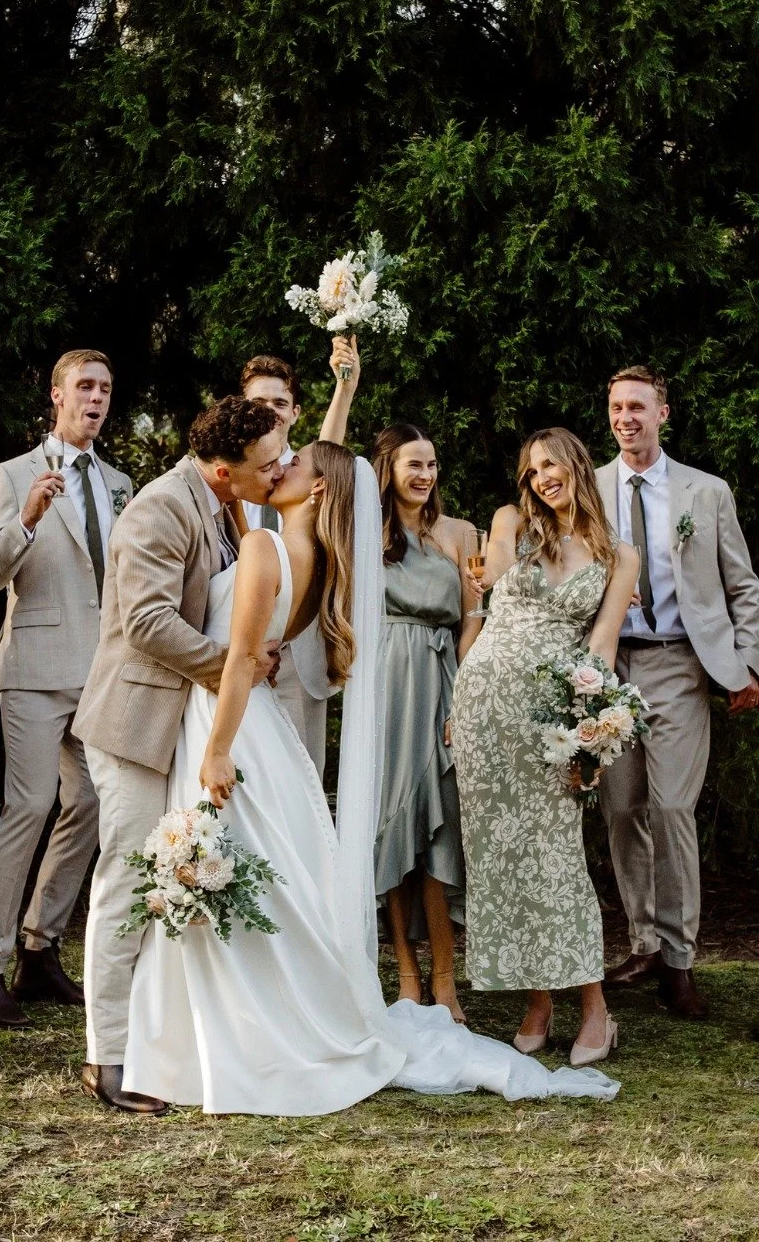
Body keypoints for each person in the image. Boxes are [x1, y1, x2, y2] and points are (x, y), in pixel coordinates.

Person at [119, 442, 620, 1114]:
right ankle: (237, 1028)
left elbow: (242, 658)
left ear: (318, 489)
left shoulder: (270, 549)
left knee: (245, 876)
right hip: (266, 725)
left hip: (231, 725)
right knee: (258, 880)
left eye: (290, 464)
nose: (277, 467)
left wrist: (216, 748)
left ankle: (232, 1037)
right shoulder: (305, 554)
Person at [73, 395, 286, 1114]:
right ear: (224, 471)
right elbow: (147, 621)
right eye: (268, 464)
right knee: (127, 880)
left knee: (175, 879)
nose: (279, 470)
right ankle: (106, 1056)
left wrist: (252, 655)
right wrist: (230, 664)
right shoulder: (161, 508)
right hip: (135, 724)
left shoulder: (228, 507)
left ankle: (165, 1044)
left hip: (183, 722)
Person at [451, 428, 638, 1068]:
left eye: (551, 464)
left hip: (552, 720)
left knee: (555, 857)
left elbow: (603, 644)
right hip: (484, 705)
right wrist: (491, 569)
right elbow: (496, 566)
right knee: (499, 856)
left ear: (576, 464)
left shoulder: (619, 555)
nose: (541, 478)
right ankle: (537, 1003)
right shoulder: (511, 521)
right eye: (532, 470)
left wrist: (592, 734)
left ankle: (594, 1008)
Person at [0, 349, 132, 1028]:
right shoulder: (12, 474)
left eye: (106, 390)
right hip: (34, 666)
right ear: (56, 395)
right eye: (85, 387)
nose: (96, 398)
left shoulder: (121, 483)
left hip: (102, 672)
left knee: (90, 802)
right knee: (28, 807)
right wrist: (27, 516)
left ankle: (39, 948)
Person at [596, 366, 759, 1019]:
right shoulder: (589, 488)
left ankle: (681, 960)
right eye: (616, 407)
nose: (626, 417)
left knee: (671, 810)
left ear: (664, 413)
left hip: (681, 665)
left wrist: (748, 663)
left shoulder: (705, 492)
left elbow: (743, 585)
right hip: (608, 668)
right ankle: (642, 943)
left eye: (638, 406)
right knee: (621, 808)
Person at [371, 424, 480, 1024]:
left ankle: (446, 978)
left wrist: (461, 697)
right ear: (387, 469)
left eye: (433, 464)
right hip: (387, 685)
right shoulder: (366, 536)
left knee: (439, 823)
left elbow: (473, 617)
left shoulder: (455, 534)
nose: (425, 475)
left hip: (440, 682)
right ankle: (406, 974)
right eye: (414, 464)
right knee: (391, 825)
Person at [237, 339, 359, 774]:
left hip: (299, 651)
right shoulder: (231, 473)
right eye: (259, 401)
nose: (269, 410)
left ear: (295, 413)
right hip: (237, 646)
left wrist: (344, 388)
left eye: (280, 401)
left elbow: (330, 451)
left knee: (299, 775)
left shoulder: (304, 475)